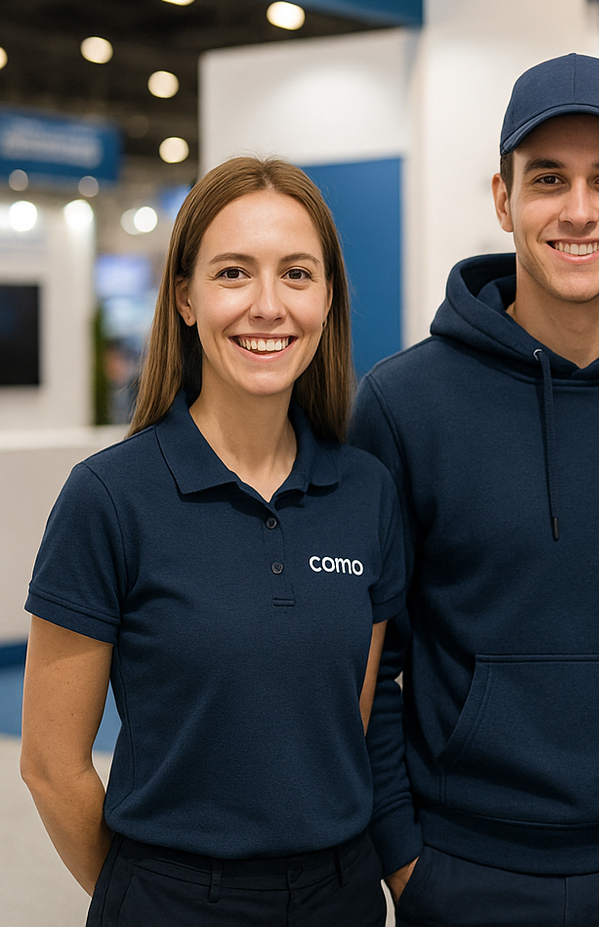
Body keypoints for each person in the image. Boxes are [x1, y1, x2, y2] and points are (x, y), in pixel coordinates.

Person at [350, 53, 599, 927]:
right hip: (460, 869)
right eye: (548, 180)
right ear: (504, 198)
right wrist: (404, 855)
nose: (578, 211)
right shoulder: (401, 404)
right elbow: (373, 662)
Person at [21, 157, 403, 926]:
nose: (268, 306)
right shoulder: (110, 499)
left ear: (327, 299)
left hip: (343, 896)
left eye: (297, 274)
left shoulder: (366, 493)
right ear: (186, 299)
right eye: (234, 273)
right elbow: (52, 768)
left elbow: (346, 722)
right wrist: (152, 899)